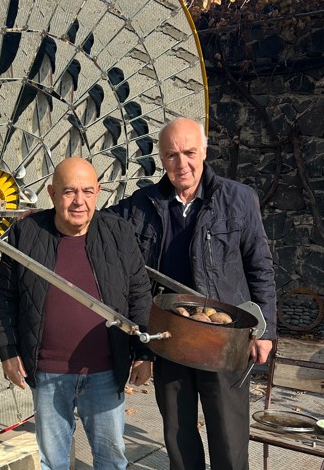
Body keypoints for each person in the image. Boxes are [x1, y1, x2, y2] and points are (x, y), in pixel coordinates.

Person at [106, 117, 277, 470]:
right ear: (161, 158)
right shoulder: (143, 203)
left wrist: (266, 330)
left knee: (229, 439)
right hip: (172, 337)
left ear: (204, 152)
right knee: (178, 436)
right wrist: (39, 218)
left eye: (189, 153)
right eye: (171, 155)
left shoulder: (238, 199)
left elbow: (260, 267)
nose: (180, 163)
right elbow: (93, 223)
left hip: (224, 340)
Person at [0, 157, 153, 470]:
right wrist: (7, 351)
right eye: (69, 192)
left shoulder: (119, 233)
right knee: (53, 462)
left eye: (87, 191)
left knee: (111, 461)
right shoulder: (27, 233)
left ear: (98, 191)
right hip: (48, 373)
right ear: (52, 193)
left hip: (105, 372)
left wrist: (145, 353)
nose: (79, 201)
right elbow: (3, 295)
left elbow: (139, 294)